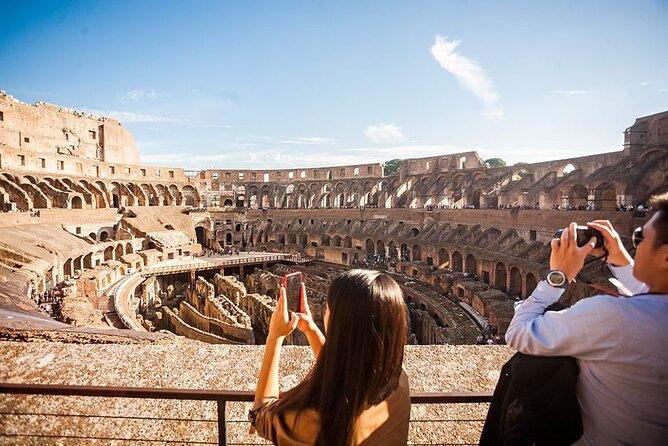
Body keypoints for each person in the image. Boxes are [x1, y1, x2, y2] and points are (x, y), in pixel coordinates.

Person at [504, 191, 668, 445]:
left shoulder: (612, 317)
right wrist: (621, 260)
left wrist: (557, 276)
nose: (634, 243)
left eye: (640, 237)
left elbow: (518, 333)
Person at [250, 269, 410, 445]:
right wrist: (310, 330)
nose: (325, 313)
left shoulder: (316, 419)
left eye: (327, 308)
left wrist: (275, 336)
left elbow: (260, 415)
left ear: (341, 322)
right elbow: (345, 369)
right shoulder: (398, 381)